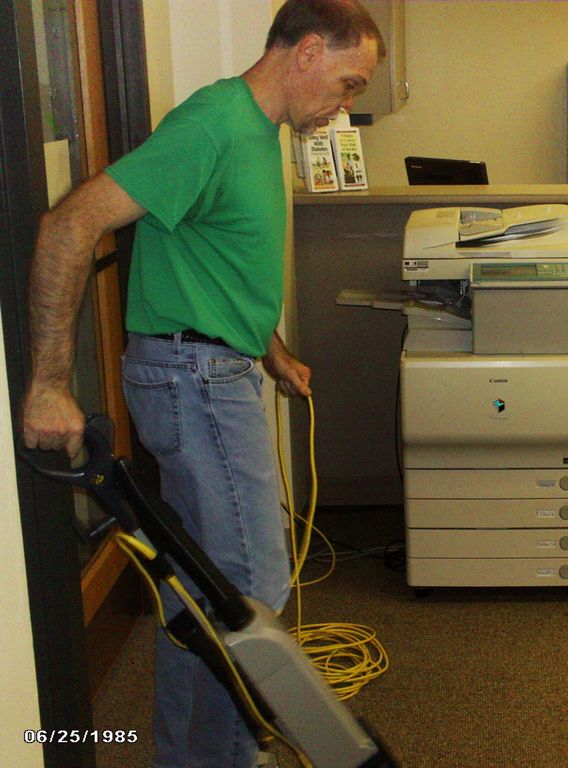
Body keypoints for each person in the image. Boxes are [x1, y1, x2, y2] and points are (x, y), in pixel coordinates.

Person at [20, 1, 383, 766]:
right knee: (247, 598)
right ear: (308, 51)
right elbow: (69, 225)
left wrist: (270, 346)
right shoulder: (215, 124)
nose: (345, 103)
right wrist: (49, 383)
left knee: (202, 589)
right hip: (195, 382)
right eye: (347, 83)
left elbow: (221, 255)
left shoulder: (261, 135)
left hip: (214, 370)